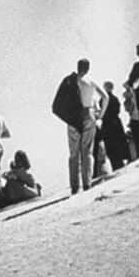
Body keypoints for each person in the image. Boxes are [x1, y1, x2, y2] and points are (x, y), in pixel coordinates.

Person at [52, 58, 106, 194]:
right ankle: (87, 183)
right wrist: (100, 115)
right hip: (89, 114)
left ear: (77, 67)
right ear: (88, 68)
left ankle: (75, 186)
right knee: (87, 151)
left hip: (73, 117)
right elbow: (105, 97)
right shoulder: (91, 82)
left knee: (73, 153)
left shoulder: (70, 81)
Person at [98, 81, 130, 172]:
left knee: (111, 148)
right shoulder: (115, 99)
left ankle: (116, 166)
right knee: (118, 146)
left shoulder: (103, 99)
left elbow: (102, 112)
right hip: (115, 124)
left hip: (108, 126)